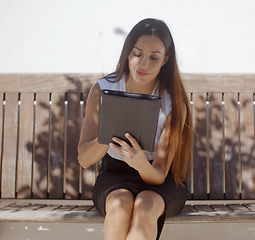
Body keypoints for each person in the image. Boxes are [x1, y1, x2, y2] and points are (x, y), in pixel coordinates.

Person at [78, 18, 192, 240]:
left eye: (154, 57)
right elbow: (83, 159)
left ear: (165, 59)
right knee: (121, 205)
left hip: (160, 180)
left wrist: (140, 162)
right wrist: (106, 137)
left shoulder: (172, 102)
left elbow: (158, 175)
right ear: (128, 53)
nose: (143, 64)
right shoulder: (103, 89)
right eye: (137, 53)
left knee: (145, 206)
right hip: (114, 176)